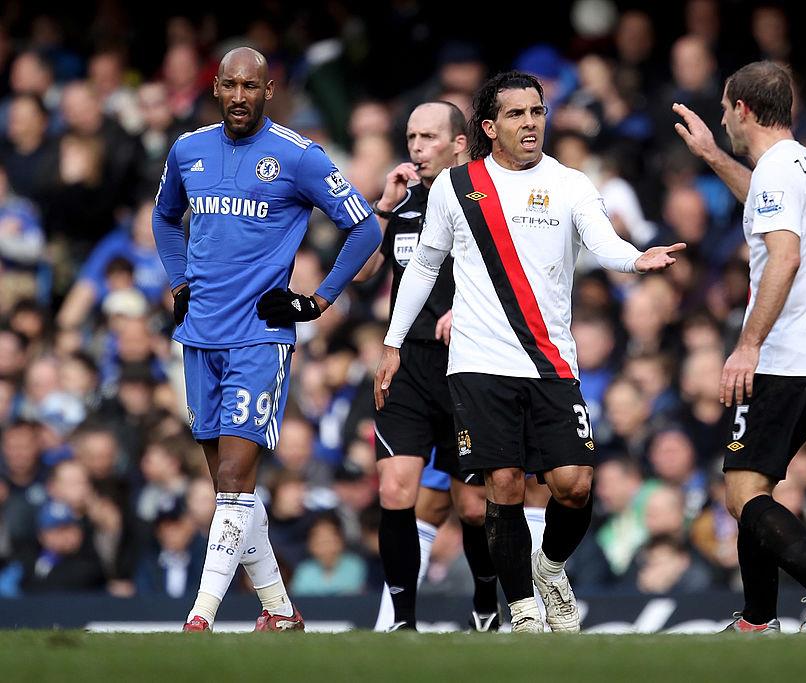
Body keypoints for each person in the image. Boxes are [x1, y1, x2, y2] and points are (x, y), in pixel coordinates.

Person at [375, 71, 684, 633]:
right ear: (490, 127)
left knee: (574, 485)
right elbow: (422, 266)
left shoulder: (569, 184)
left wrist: (635, 259)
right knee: (505, 485)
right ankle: (520, 610)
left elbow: (602, 238)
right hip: (479, 364)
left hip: (551, 362)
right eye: (516, 114)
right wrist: (393, 343)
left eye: (537, 112)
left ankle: (550, 564)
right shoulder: (456, 186)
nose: (530, 123)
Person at [151, 47, 381, 632]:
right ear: (216, 89)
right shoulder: (188, 150)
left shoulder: (299, 156)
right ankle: (280, 610)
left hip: (259, 335)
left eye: (249, 87)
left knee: (232, 481)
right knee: (235, 491)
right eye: (229, 86)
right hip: (199, 333)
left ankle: (199, 616)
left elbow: (364, 227)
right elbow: (163, 217)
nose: (238, 97)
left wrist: (318, 300)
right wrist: (179, 279)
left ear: (268, 90)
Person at [673, 60, 806, 634]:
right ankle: (757, 621)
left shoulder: (780, 170)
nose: (723, 119)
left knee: (740, 495)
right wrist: (710, 155)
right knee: (752, 488)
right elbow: (760, 200)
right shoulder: (804, 164)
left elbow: (784, 256)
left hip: (787, 356)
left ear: (744, 110)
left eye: (726, 109)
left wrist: (748, 345)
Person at [355, 100, 498, 632]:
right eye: (411, 137)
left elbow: (519, 271)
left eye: (428, 137)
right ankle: (402, 622)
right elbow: (364, 271)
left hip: (468, 366)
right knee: (395, 490)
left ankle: (486, 604)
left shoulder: (486, 200)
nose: (416, 147)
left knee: (474, 508)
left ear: (460, 142)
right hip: (407, 364)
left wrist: (470, 306)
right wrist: (384, 207)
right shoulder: (406, 202)